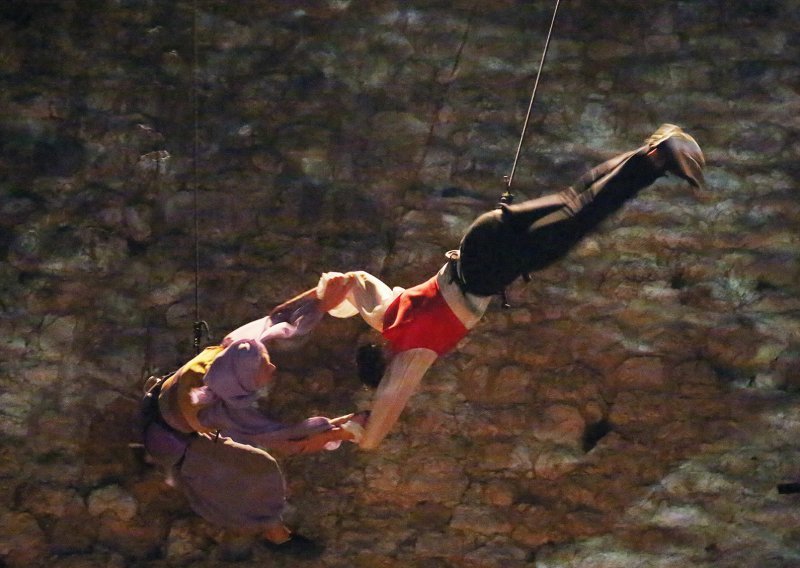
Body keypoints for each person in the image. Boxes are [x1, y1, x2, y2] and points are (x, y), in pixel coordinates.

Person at [317, 124, 705, 450]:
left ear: (387, 364)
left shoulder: (411, 354)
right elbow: (354, 282)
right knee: (574, 200)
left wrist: (358, 431)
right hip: (482, 235)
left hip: (493, 267)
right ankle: (651, 150)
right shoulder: (386, 314)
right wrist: (323, 303)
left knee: (584, 214)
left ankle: (657, 159)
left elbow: (385, 410)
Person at [140, 283, 363, 555]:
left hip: (169, 404)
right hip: (169, 436)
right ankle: (275, 534)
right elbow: (287, 440)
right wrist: (343, 431)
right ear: (242, 380)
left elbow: (277, 318)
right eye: (264, 368)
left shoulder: (234, 350)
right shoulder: (222, 411)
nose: (272, 366)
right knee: (257, 469)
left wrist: (320, 301)